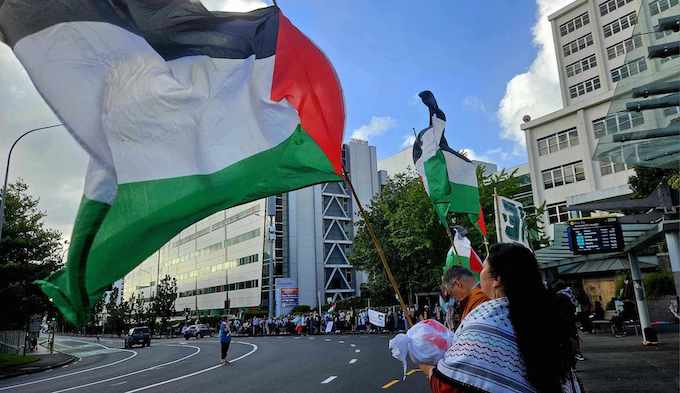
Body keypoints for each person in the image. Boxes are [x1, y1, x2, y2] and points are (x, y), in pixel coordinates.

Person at [423, 243, 580, 393]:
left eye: (484, 267)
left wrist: (428, 368)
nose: (480, 273)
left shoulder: (486, 320)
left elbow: (449, 385)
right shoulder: (545, 311)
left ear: (497, 279)